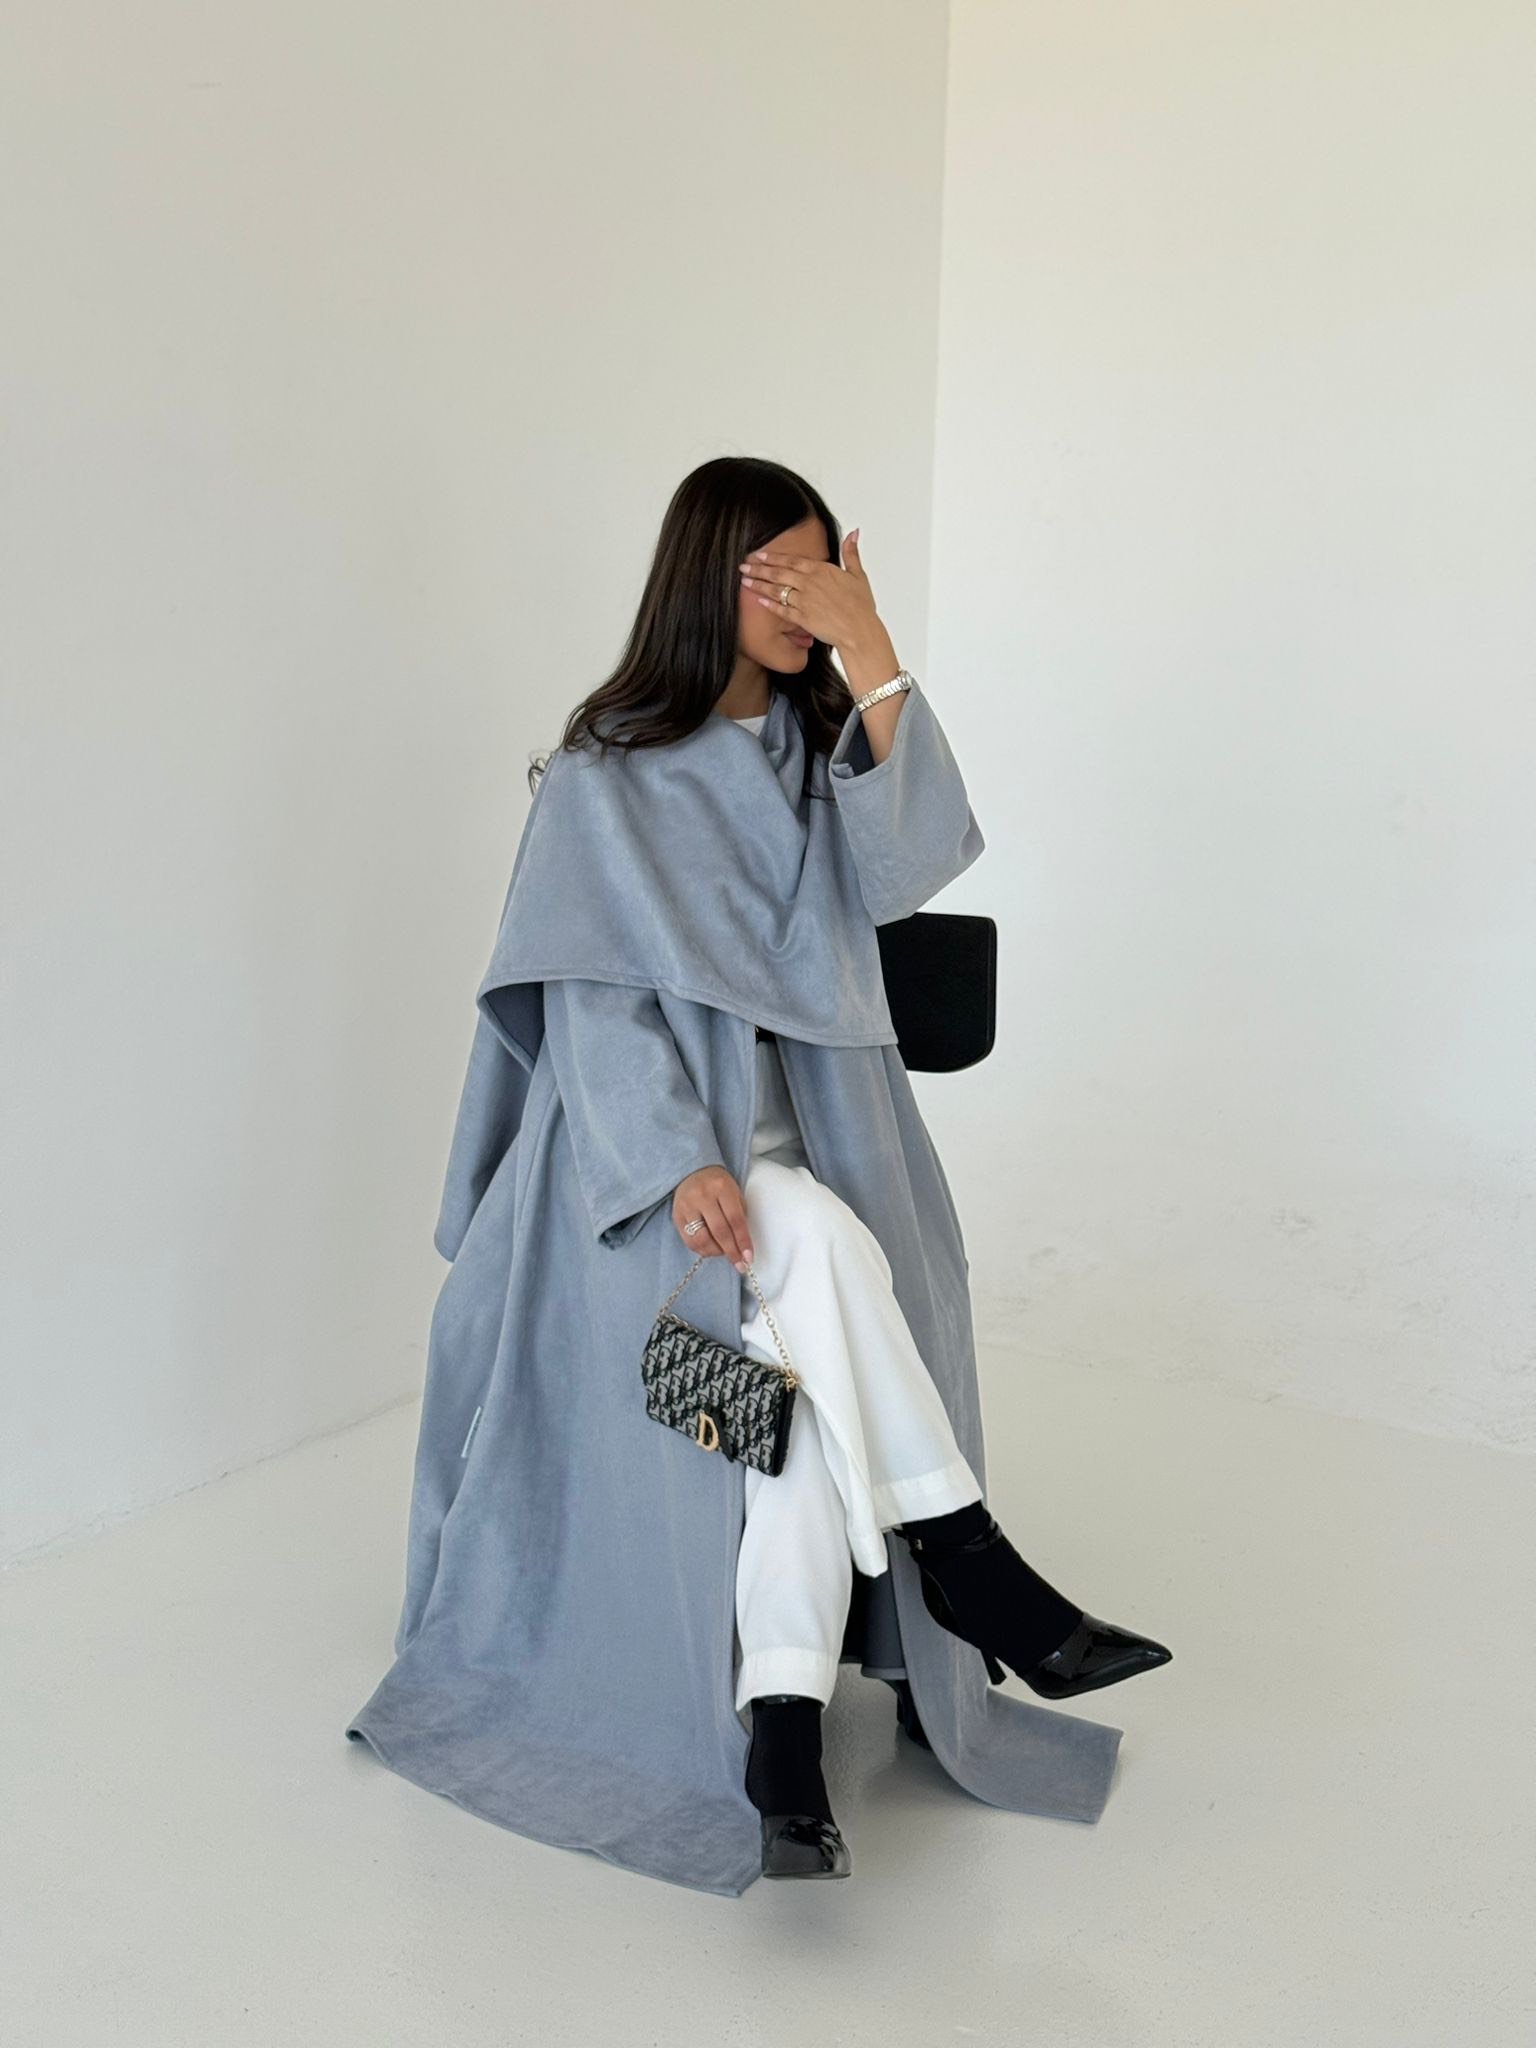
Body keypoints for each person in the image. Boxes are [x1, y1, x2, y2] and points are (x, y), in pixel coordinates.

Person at [344, 456, 1171, 1894]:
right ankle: (970, 1560)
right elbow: (594, 1007)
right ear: (707, 580)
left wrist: (875, 656)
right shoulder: (603, 776)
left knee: (781, 1404)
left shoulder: (820, 749)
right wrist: (676, 1163)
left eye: (821, 576)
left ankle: (785, 1734)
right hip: (640, 1186)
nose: (802, 603)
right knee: (821, 1253)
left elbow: (915, 869)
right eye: (775, 577)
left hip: (827, 1142)